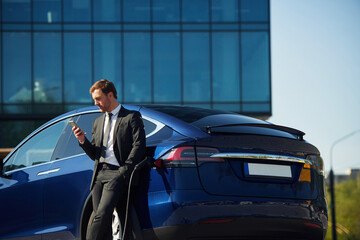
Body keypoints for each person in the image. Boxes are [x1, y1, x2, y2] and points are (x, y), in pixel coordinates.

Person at [72, 79, 146, 240]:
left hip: (117, 173)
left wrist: (124, 170)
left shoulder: (131, 117)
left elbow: (139, 146)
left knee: (101, 215)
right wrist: (82, 141)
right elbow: (95, 155)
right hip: (99, 175)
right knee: (105, 224)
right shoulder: (97, 122)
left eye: (98, 99)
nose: (96, 103)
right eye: (94, 100)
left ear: (110, 95)